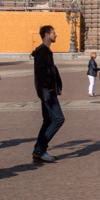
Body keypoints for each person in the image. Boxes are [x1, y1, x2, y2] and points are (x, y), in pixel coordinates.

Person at [31, 25, 64, 163]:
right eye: (53, 33)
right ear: (46, 35)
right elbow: (40, 74)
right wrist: (46, 90)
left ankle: (39, 151)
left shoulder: (45, 51)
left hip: (47, 91)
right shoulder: (43, 52)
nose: (56, 35)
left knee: (48, 120)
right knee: (58, 119)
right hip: (47, 92)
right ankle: (40, 149)